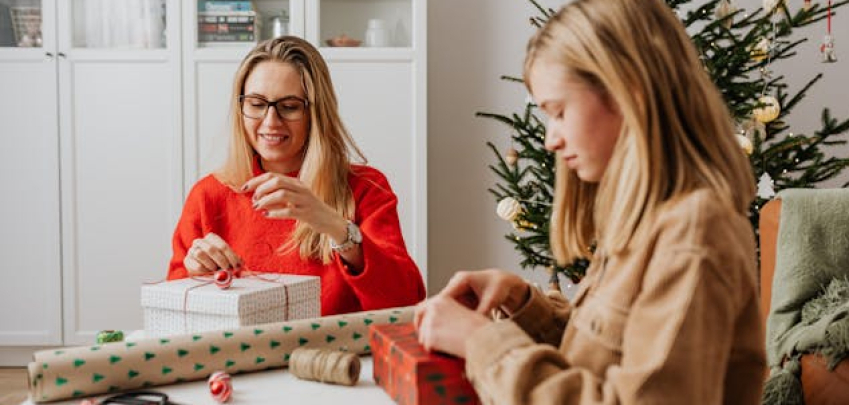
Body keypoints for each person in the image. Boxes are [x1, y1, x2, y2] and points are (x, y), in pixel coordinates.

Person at [415, 0, 766, 403]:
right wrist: (526, 306)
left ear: (627, 93)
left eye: (559, 112)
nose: (551, 139)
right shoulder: (647, 219)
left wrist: (482, 342)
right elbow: (610, 355)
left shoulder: (695, 231)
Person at [167, 36, 425, 315]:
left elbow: (406, 302)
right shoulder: (208, 195)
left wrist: (335, 227)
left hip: (334, 358)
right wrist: (195, 276)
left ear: (317, 113)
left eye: (289, 106)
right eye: (256, 104)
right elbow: (174, 315)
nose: (270, 122)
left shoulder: (366, 188)